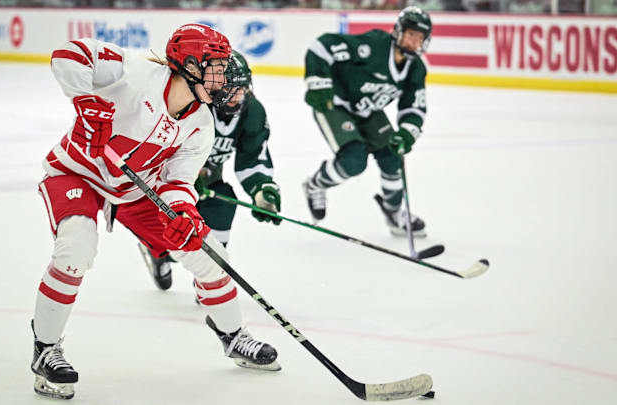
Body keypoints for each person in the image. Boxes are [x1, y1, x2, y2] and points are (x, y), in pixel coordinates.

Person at [31, 24, 280, 401]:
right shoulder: (133, 71)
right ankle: (45, 349)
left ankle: (233, 336)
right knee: (75, 250)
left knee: (208, 252)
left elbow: (179, 180)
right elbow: (69, 54)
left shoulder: (200, 124)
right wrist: (84, 99)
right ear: (190, 65)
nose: (222, 78)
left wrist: (185, 213)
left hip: (134, 189)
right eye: (215, 67)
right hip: (76, 171)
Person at [138, 50, 281, 291]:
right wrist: (186, 178)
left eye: (243, 89)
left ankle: (210, 280)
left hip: (209, 185)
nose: (239, 97)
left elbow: (252, 157)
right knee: (177, 241)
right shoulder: (192, 105)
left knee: (224, 204)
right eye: (232, 90)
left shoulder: (252, 111)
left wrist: (261, 190)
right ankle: (161, 254)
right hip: (168, 187)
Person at [302, 6, 431, 237]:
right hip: (334, 104)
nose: (414, 41)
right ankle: (316, 185)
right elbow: (322, 45)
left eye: (420, 37)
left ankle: (394, 213)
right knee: (354, 161)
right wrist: (317, 81)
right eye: (411, 34)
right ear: (399, 32)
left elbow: (414, 106)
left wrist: (407, 133)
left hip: (368, 111)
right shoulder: (374, 46)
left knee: (393, 156)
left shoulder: (415, 69)